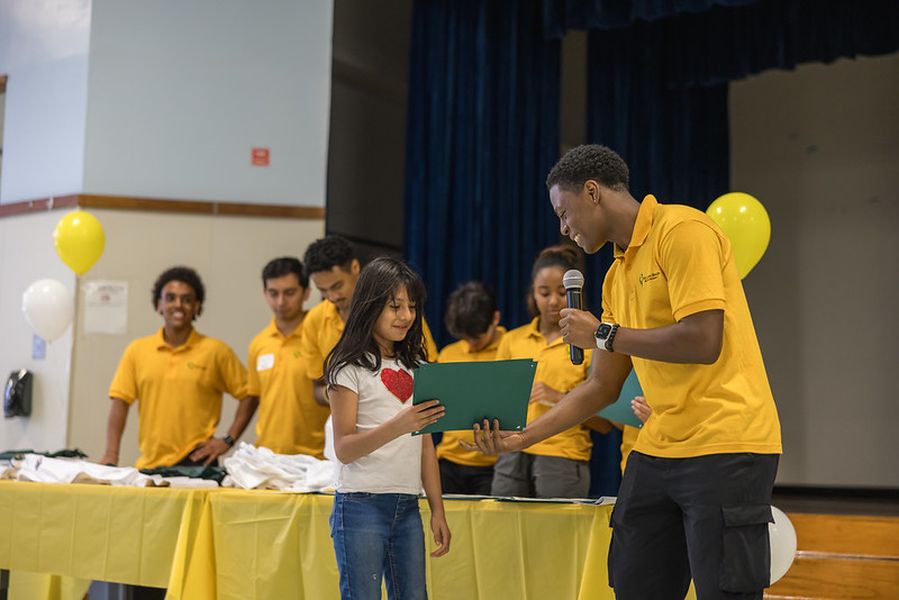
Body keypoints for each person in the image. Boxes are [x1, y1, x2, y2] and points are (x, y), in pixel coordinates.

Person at [466, 144, 782, 600]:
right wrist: (523, 437)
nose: (564, 227)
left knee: (724, 591)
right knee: (635, 583)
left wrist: (604, 334)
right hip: (657, 447)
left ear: (591, 192)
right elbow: (601, 385)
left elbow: (703, 340)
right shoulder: (615, 276)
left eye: (564, 212)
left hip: (727, 442)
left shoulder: (683, 230)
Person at [325, 257, 450, 600]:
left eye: (411, 306)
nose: (406, 316)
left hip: (408, 506)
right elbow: (345, 448)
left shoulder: (418, 366)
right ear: (369, 306)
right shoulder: (347, 368)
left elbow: (426, 447)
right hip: (359, 504)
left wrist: (437, 509)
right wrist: (400, 425)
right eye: (395, 306)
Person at [100, 266, 254, 469]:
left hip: (199, 465)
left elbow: (250, 394)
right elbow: (120, 402)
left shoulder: (216, 351)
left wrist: (228, 440)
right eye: (170, 298)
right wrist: (111, 455)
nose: (178, 305)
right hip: (149, 466)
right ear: (159, 305)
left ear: (197, 307)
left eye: (187, 299)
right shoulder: (137, 351)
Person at [490, 245, 595, 499]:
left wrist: (560, 397)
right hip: (512, 454)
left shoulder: (591, 345)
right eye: (544, 292)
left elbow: (605, 421)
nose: (553, 301)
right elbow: (495, 401)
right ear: (532, 294)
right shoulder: (512, 340)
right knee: (503, 532)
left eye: (561, 292)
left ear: (575, 294)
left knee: (554, 535)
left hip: (562, 456)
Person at [300, 236, 439, 406]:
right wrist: (344, 393)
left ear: (355, 267)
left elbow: (430, 369)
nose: (332, 296)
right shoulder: (315, 320)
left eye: (337, 286)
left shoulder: (401, 314)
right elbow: (317, 388)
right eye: (323, 290)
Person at [246, 257, 330, 456]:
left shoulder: (322, 335)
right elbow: (255, 396)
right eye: (273, 293)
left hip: (316, 458)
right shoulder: (259, 343)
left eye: (289, 293)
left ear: (306, 292)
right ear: (264, 293)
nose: (281, 302)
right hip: (267, 457)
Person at [434, 281, 506, 495]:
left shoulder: (512, 348)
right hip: (448, 461)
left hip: (493, 464)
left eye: (477, 337)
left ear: (495, 318)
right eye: (465, 338)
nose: (471, 344)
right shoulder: (448, 354)